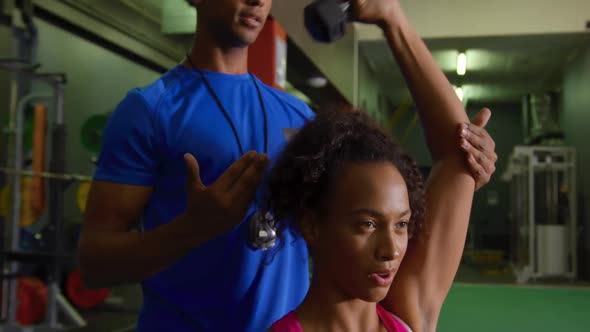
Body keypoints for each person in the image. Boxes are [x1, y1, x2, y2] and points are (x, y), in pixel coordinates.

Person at [77, 0, 497, 331]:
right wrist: (191, 230)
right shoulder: (150, 110)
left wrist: (469, 162)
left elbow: (395, 189)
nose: (259, 0)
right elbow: (94, 264)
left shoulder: (298, 116)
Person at [266, 1, 496, 331]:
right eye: (367, 224)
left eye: (401, 224)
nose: (391, 250)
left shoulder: (406, 318)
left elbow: (455, 152)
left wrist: (392, 18)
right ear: (311, 224)